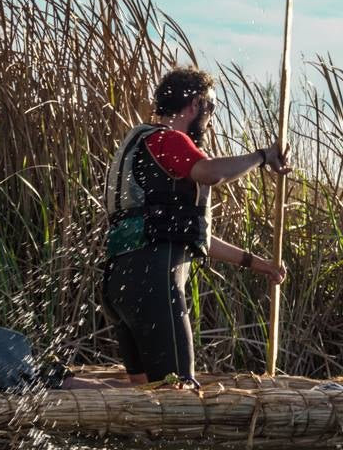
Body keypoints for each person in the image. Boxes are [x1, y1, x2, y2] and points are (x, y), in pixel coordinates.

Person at [101, 67, 290, 386]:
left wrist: (258, 264)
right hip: (154, 285)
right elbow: (209, 172)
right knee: (177, 390)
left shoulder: (139, 144)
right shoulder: (168, 139)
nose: (212, 117)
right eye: (211, 107)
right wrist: (262, 157)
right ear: (194, 105)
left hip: (118, 286)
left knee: (144, 391)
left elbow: (186, 235)